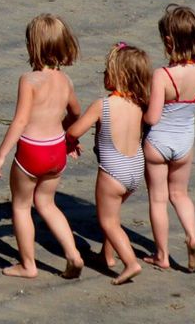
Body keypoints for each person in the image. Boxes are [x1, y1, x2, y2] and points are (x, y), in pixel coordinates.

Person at [0, 14, 83, 279]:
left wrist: (1, 155)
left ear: (34, 46)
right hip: (56, 150)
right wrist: (70, 139)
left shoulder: (29, 80)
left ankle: (28, 265)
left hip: (32, 150)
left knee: (20, 206)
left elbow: (20, 121)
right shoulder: (65, 81)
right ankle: (73, 255)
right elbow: (76, 113)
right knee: (48, 204)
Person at [66, 42, 152, 284]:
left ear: (119, 76)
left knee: (107, 220)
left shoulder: (103, 105)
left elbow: (74, 131)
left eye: (107, 71)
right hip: (135, 170)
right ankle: (107, 256)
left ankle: (130, 262)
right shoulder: (139, 105)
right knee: (113, 214)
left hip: (112, 172)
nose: (103, 74)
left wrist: (67, 140)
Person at [143, 4, 195, 272]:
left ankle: (162, 255)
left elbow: (152, 118)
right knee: (180, 194)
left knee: (158, 199)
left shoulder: (163, 75)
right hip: (185, 141)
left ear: (169, 42)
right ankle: (192, 237)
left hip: (159, 143)